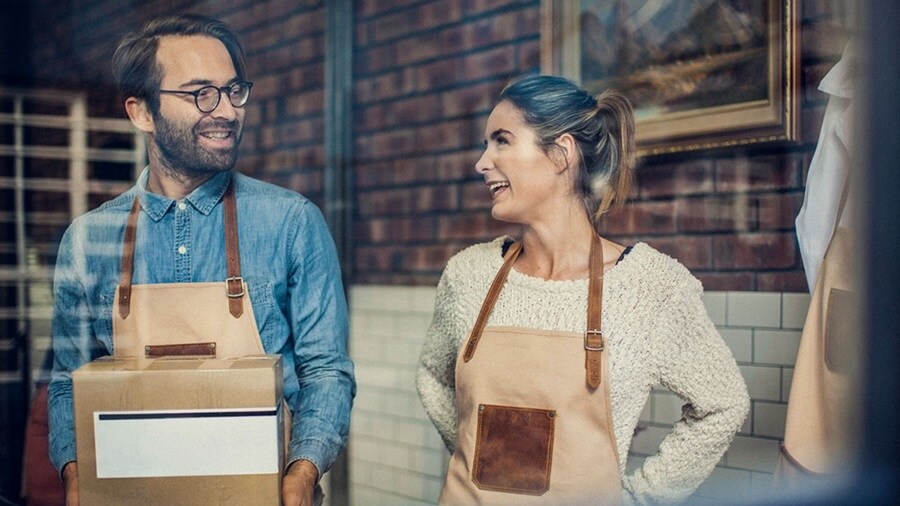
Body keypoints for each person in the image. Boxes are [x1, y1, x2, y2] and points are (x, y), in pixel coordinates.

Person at [47, 14, 355, 506]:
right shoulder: (88, 241)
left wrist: (300, 476)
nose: (228, 111)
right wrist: (75, 476)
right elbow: (67, 381)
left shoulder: (292, 223)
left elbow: (326, 372)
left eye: (234, 91)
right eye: (200, 94)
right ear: (142, 112)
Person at [416, 75, 749, 504]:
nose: (482, 162)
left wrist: (638, 498)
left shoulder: (649, 287)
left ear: (562, 154)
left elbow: (723, 403)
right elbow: (432, 375)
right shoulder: (468, 276)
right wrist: (474, 450)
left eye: (501, 141)